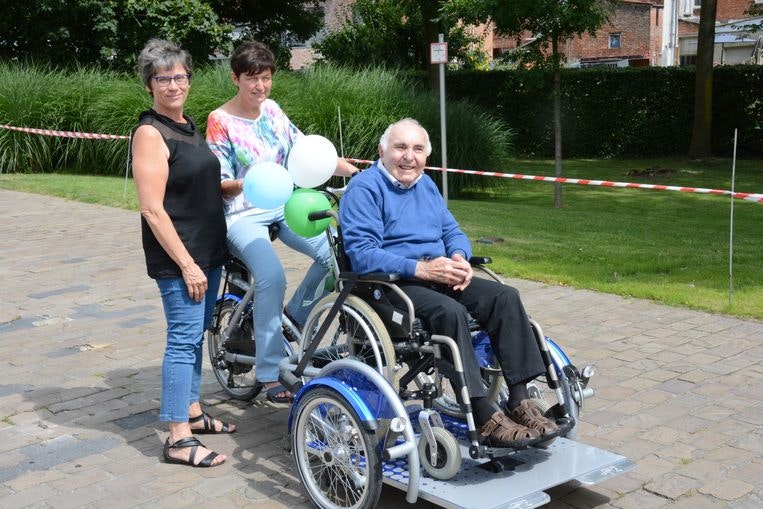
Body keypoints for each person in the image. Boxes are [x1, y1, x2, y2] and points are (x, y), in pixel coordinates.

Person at [338, 118, 559, 446]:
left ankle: (519, 398)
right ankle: (483, 413)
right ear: (381, 151)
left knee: (505, 297)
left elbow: (452, 231)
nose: (408, 157)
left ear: (426, 155)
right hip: (390, 284)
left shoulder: (426, 185)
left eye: (417, 149)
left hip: (439, 275)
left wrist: (458, 256)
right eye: (400, 147)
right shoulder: (364, 189)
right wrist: (423, 269)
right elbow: (363, 254)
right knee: (449, 312)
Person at [206, 40, 357, 403]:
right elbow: (221, 183)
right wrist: (254, 181)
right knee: (273, 276)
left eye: (266, 78)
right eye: (251, 78)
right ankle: (270, 372)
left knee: (338, 256)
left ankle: (296, 315)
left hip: (286, 203)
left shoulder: (272, 110)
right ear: (235, 78)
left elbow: (307, 152)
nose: (260, 86)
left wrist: (359, 173)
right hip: (243, 211)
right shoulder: (220, 120)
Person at [132, 39, 235, 468]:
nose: (173, 84)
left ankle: (192, 411)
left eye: (180, 76)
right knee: (182, 341)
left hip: (207, 253)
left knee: (195, 340)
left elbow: (204, 188)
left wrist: (251, 183)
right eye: (163, 78)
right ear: (149, 84)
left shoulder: (188, 126)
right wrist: (188, 264)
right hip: (182, 261)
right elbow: (152, 209)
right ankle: (177, 437)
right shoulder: (150, 133)